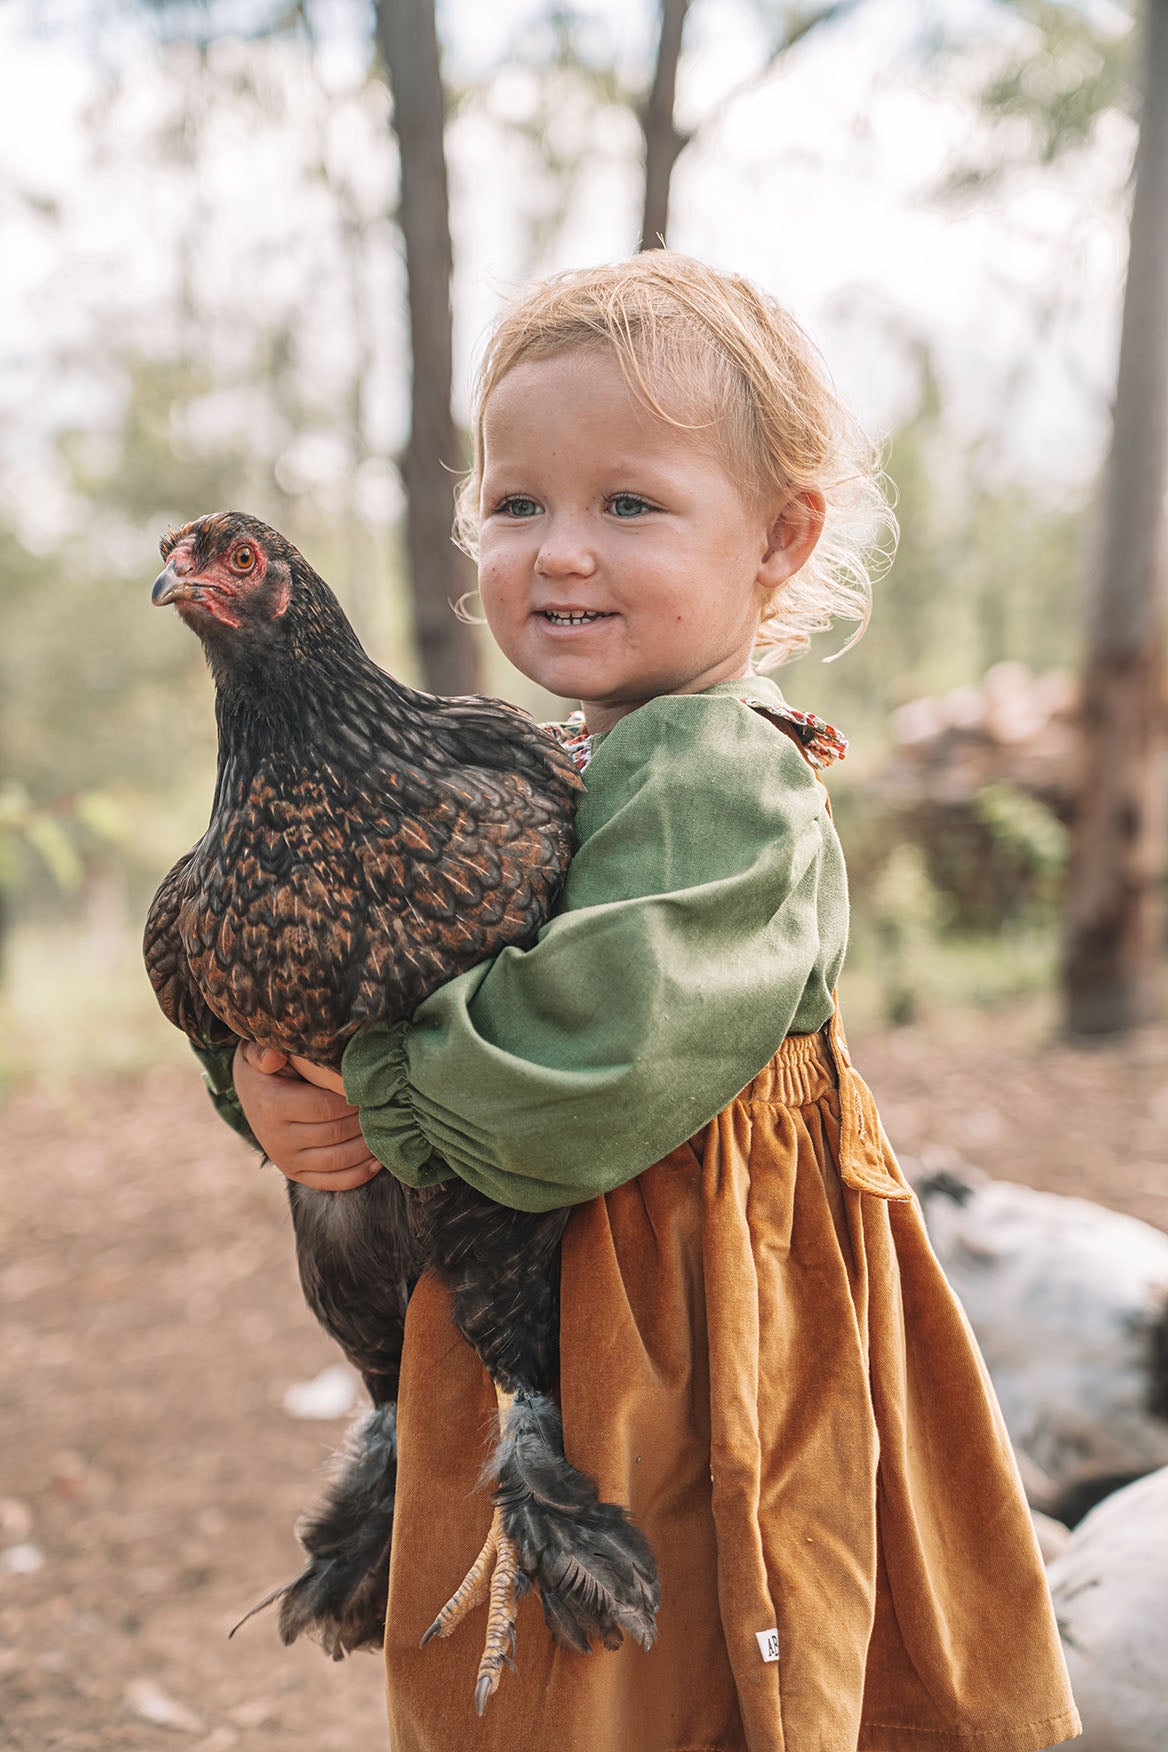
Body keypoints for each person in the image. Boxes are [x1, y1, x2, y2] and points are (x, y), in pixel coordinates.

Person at [211, 254, 1080, 1752]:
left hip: (683, 1295)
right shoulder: (552, 759)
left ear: (778, 539)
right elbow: (360, 970)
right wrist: (272, 1087)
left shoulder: (717, 768)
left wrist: (377, 1090)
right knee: (595, 1660)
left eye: (629, 505)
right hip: (557, 1277)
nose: (560, 553)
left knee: (684, 1640)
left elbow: (591, 1064)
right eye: (515, 505)